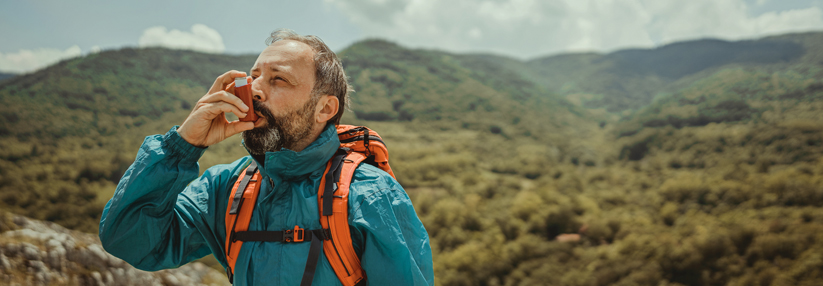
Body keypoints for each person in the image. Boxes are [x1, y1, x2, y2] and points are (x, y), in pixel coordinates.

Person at [98, 29, 434, 286]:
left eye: (278, 79)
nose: (255, 89)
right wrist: (183, 145)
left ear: (324, 109)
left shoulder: (371, 194)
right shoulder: (226, 188)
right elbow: (129, 240)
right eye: (254, 76)